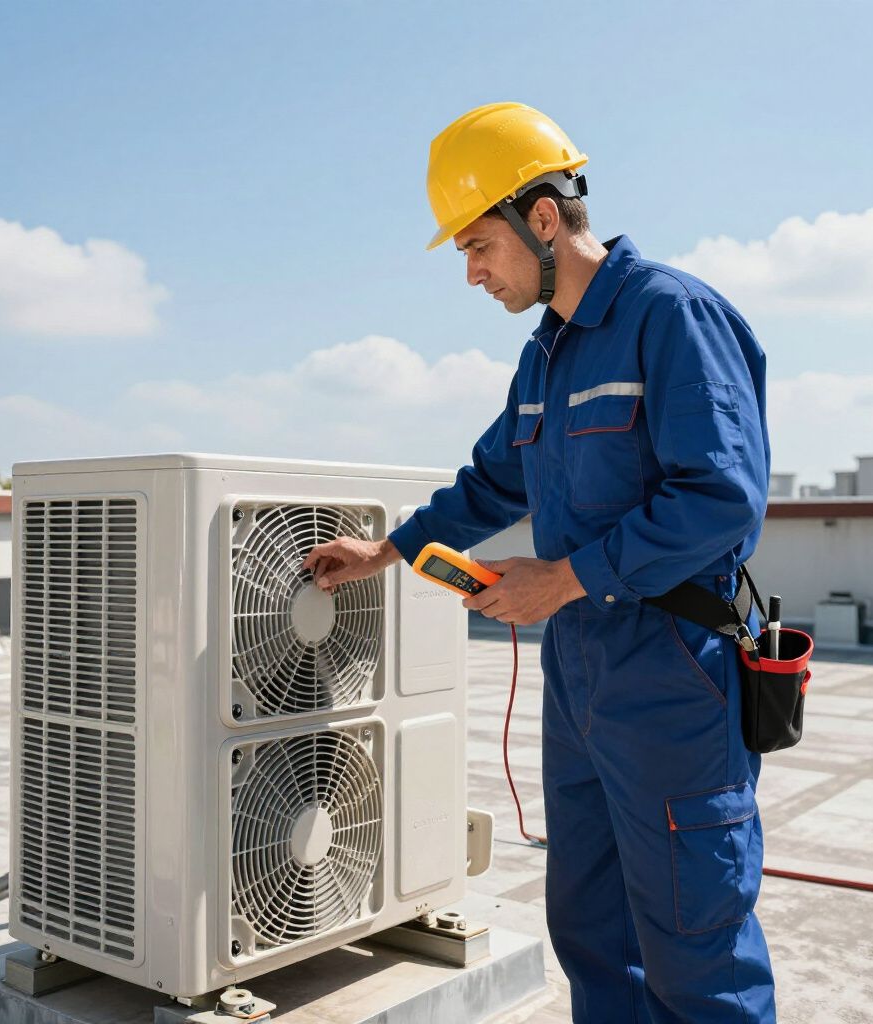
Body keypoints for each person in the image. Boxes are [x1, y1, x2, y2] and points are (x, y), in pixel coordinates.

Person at [302, 102, 775, 1024]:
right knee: (592, 928)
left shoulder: (671, 317)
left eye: (479, 246)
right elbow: (492, 480)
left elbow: (720, 500)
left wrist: (560, 580)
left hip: (674, 671)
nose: (472, 273)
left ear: (543, 220)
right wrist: (387, 550)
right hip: (583, 673)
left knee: (692, 941)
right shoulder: (546, 357)